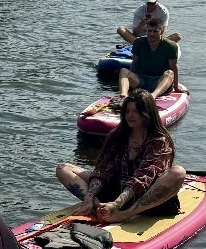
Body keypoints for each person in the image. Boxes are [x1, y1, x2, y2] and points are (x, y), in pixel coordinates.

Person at [56, 89, 186, 222]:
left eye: (136, 111)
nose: (130, 115)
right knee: (63, 169)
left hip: (144, 197)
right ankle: (96, 205)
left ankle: (126, 214)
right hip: (117, 189)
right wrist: (89, 198)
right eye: (128, 111)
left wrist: (116, 204)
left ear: (147, 113)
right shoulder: (117, 136)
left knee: (178, 172)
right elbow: (103, 170)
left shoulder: (159, 141)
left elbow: (142, 179)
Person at [116, 18, 179, 101]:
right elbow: (134, 63)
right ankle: (123, 96)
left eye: (155, 31)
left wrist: (176, 87)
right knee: (124, 70)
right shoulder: (138, 42)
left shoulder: (171, 46)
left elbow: (173, 67)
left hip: (158, 81)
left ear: (162, 31)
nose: (151, 34)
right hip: (141, 80)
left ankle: (153, 96)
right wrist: (129, 84)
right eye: (149, 31)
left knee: (170, 73)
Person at [117, 0, 181, 45]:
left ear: (157, 0)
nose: (150, 6)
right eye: (148, 3)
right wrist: (142, 23)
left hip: (157, 39)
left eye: (152, 3)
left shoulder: (163, 12)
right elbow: (135, 33)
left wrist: (157, 41)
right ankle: (139, 46)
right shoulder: (138, 12)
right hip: (140, 39)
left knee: (178, 36)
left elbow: (163, 31)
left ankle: (159, 46)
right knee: (120, 29)